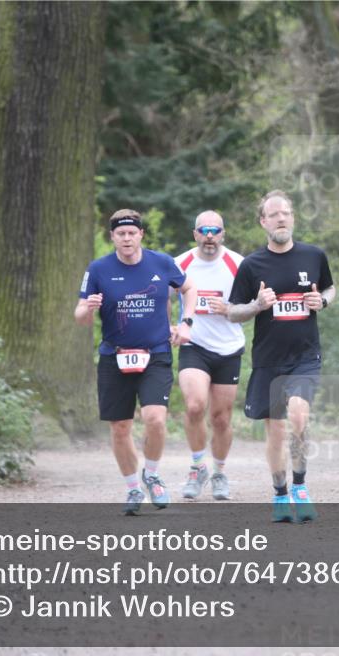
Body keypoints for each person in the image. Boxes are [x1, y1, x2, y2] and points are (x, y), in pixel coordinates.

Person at [75, 209, 197, 515]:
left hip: (155, 353)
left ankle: (151, 474)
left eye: (132, 233)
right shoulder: (99, 269)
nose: (127, 238)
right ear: (112, 237)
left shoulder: (162, 263)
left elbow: (189, 288)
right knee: (120, 427)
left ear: (141, 234)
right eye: (121, 233)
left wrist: (186, 323)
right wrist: (88, 308)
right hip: (114, 356)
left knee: (155, 418)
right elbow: (80, 317)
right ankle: (133, 489)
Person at [227, 190, 335, 522]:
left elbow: (330, 288)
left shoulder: (313, 256)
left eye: (285, 213)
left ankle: (300, 487)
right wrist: (257, 305)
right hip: (268, 359)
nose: (281, 218)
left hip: (305, 356)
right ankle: (280, 493)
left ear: (293, 218)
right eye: (273, 214)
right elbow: (232, 312)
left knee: (299, 415)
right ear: (263, 222)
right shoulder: (251, 265)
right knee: (275, 430)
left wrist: (323, 301)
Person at [172, 211, 246, 500]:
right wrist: (169, 326)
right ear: (195, 234)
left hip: (228, 348)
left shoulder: (239, 264)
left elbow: (254, 306)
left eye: (215, 231)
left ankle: (219, 473)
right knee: (194, 406)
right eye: (204, 231)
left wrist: (230, 310)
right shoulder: (180, 263)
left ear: (223, 234)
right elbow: (160, 295)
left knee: (221, 418)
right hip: (194, 345)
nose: (210, 236)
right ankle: (197, 467)